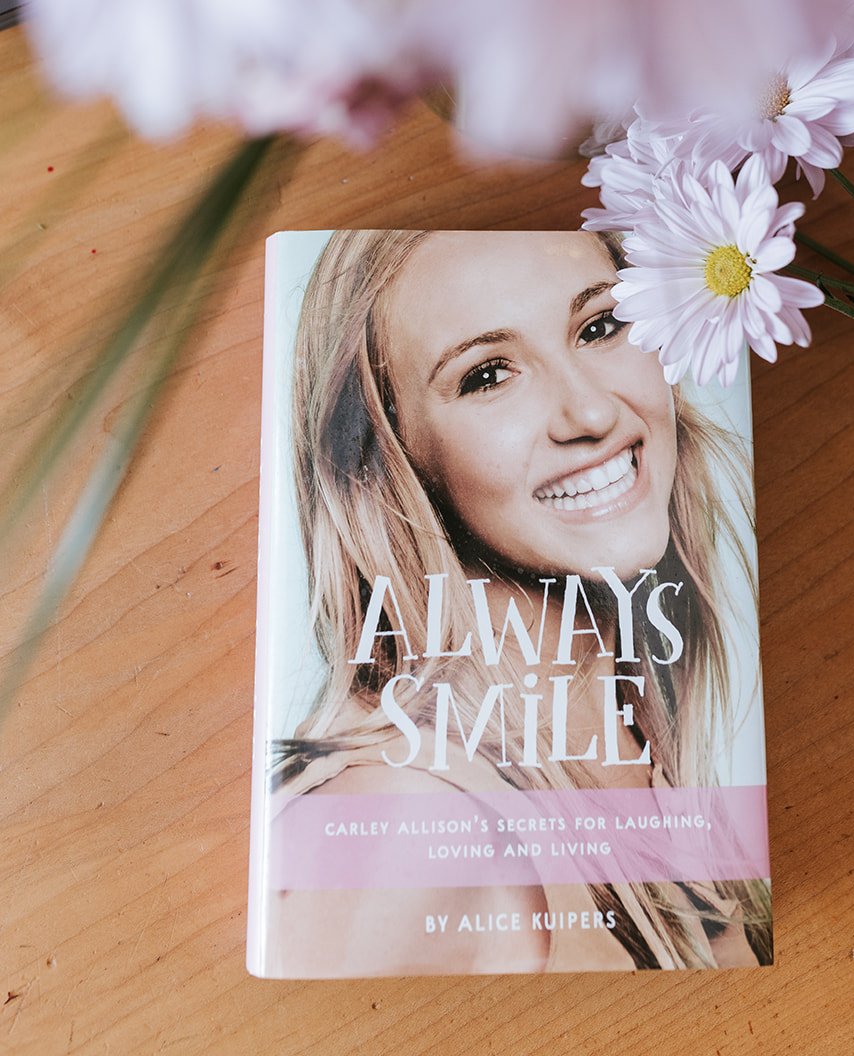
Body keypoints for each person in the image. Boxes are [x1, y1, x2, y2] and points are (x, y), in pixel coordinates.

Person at [268, 229, 771, 974]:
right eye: (488, 375)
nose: (590, 414)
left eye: (599, 327)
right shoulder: (407, 822)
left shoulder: (644, 759)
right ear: (388, 456)